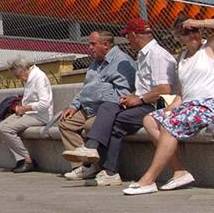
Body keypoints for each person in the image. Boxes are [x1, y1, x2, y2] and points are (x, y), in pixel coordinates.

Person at [124, 16, 214, 196]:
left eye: (194, 30)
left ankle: (148, 179)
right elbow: (184, 92)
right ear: (179, 36)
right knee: (150, 120)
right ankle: (179, 171)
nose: (192, 34)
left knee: (170, 124)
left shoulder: (210, 47)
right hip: (193, 105)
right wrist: (172, 106)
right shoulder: (183, 58)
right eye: (185, 32)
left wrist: (199, 22)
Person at [63, 18, 176, 186]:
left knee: (115, 120)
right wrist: (133, 98)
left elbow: (164, 90)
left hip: (158, 105)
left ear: (134, 35)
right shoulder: (144, 55)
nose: (127, 41)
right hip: (144, 103)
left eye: (128, 36)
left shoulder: (157, 55)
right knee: (108, 108)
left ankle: (109, 170)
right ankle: (95, 153)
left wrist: (138, 99)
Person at [59, 30, 136, 181]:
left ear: (106, 45)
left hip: (105, 110)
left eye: (93, 44)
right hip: (87, 107)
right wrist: (74, 106)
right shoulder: (94, 63)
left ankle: (89, 167)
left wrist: (99, 92)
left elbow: (122, 94)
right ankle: (81, 166)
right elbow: (85, 89)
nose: (90, 48)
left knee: (89, 126)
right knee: (65, 123)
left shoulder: (122, 62)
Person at [0, 58, 54, 173]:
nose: (18, 79)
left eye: (17, 76)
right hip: (27, 113)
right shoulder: (27, 78)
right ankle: (21, 159)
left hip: (40, 115)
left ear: (23, 70)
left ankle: (27, 160)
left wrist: (24, 108)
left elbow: (45, 103)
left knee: (6, 129)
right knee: (0, 127)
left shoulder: (39, 77)